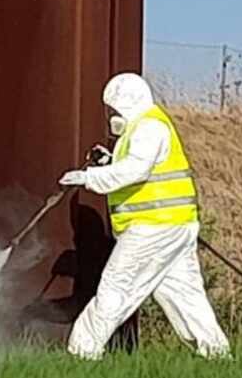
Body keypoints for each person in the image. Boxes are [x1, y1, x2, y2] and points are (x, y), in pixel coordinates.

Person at [58, 73, 231, 361]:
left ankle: (82, 353)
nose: (112, 116)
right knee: (184, 297)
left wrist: (89, 177)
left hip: (153, 228)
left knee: (117, 286)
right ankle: (217, 355)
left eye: (113, 109)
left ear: (126, 103)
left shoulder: (149, 127)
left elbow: (135, 171)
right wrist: (109, 162)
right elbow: (136, 167)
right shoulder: (145, 127)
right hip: (173, 226)